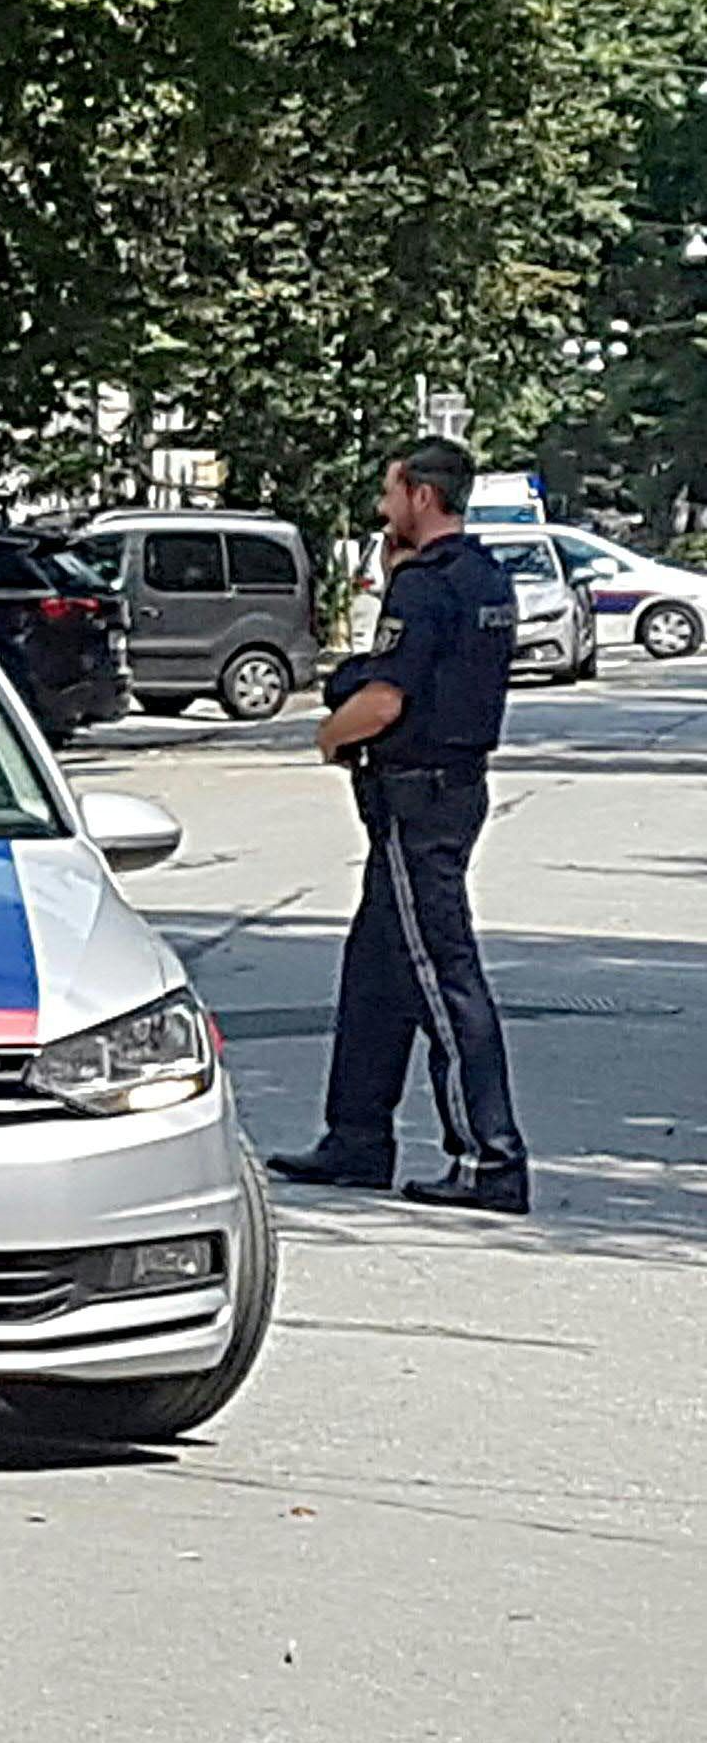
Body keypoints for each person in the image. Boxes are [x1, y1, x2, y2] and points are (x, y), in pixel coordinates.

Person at [270, 437, 530, 1214]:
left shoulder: (425, 589)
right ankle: (355, 1138)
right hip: (447, 789)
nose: (383, 510)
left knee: (438, 971)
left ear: (420, 494)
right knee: (376, 969)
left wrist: (328, 735)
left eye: (390, 494)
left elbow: (384, 699)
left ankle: (490, 1155)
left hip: (416, 800)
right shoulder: (483, 577)